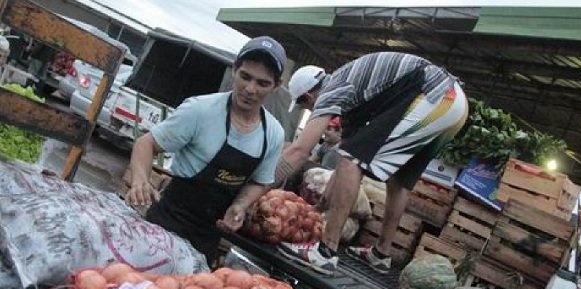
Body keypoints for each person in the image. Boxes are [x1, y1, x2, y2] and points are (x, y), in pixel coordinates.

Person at [276, 52, 468, 275]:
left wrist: (261, 187)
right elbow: (346, 153)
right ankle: (381, 254)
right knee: (400, 179)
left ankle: (325, 252)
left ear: (308, 95)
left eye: (305, 104)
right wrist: (321, 206)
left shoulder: (333, 89)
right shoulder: (350, 100)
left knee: (353, 160)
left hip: (436, 95)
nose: (310, 110)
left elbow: (301, 150)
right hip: (455, 105)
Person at [125, 36, 287, 263]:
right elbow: (146, 143)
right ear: (234, 70)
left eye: (262, 83)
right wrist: (140, 180)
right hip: (165, 227)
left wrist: (240, 205)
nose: (250, 89)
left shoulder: (274, 134)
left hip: (207, 240)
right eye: (245, 76)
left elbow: (259, 181)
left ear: (276, 86)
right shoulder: (200, 110)